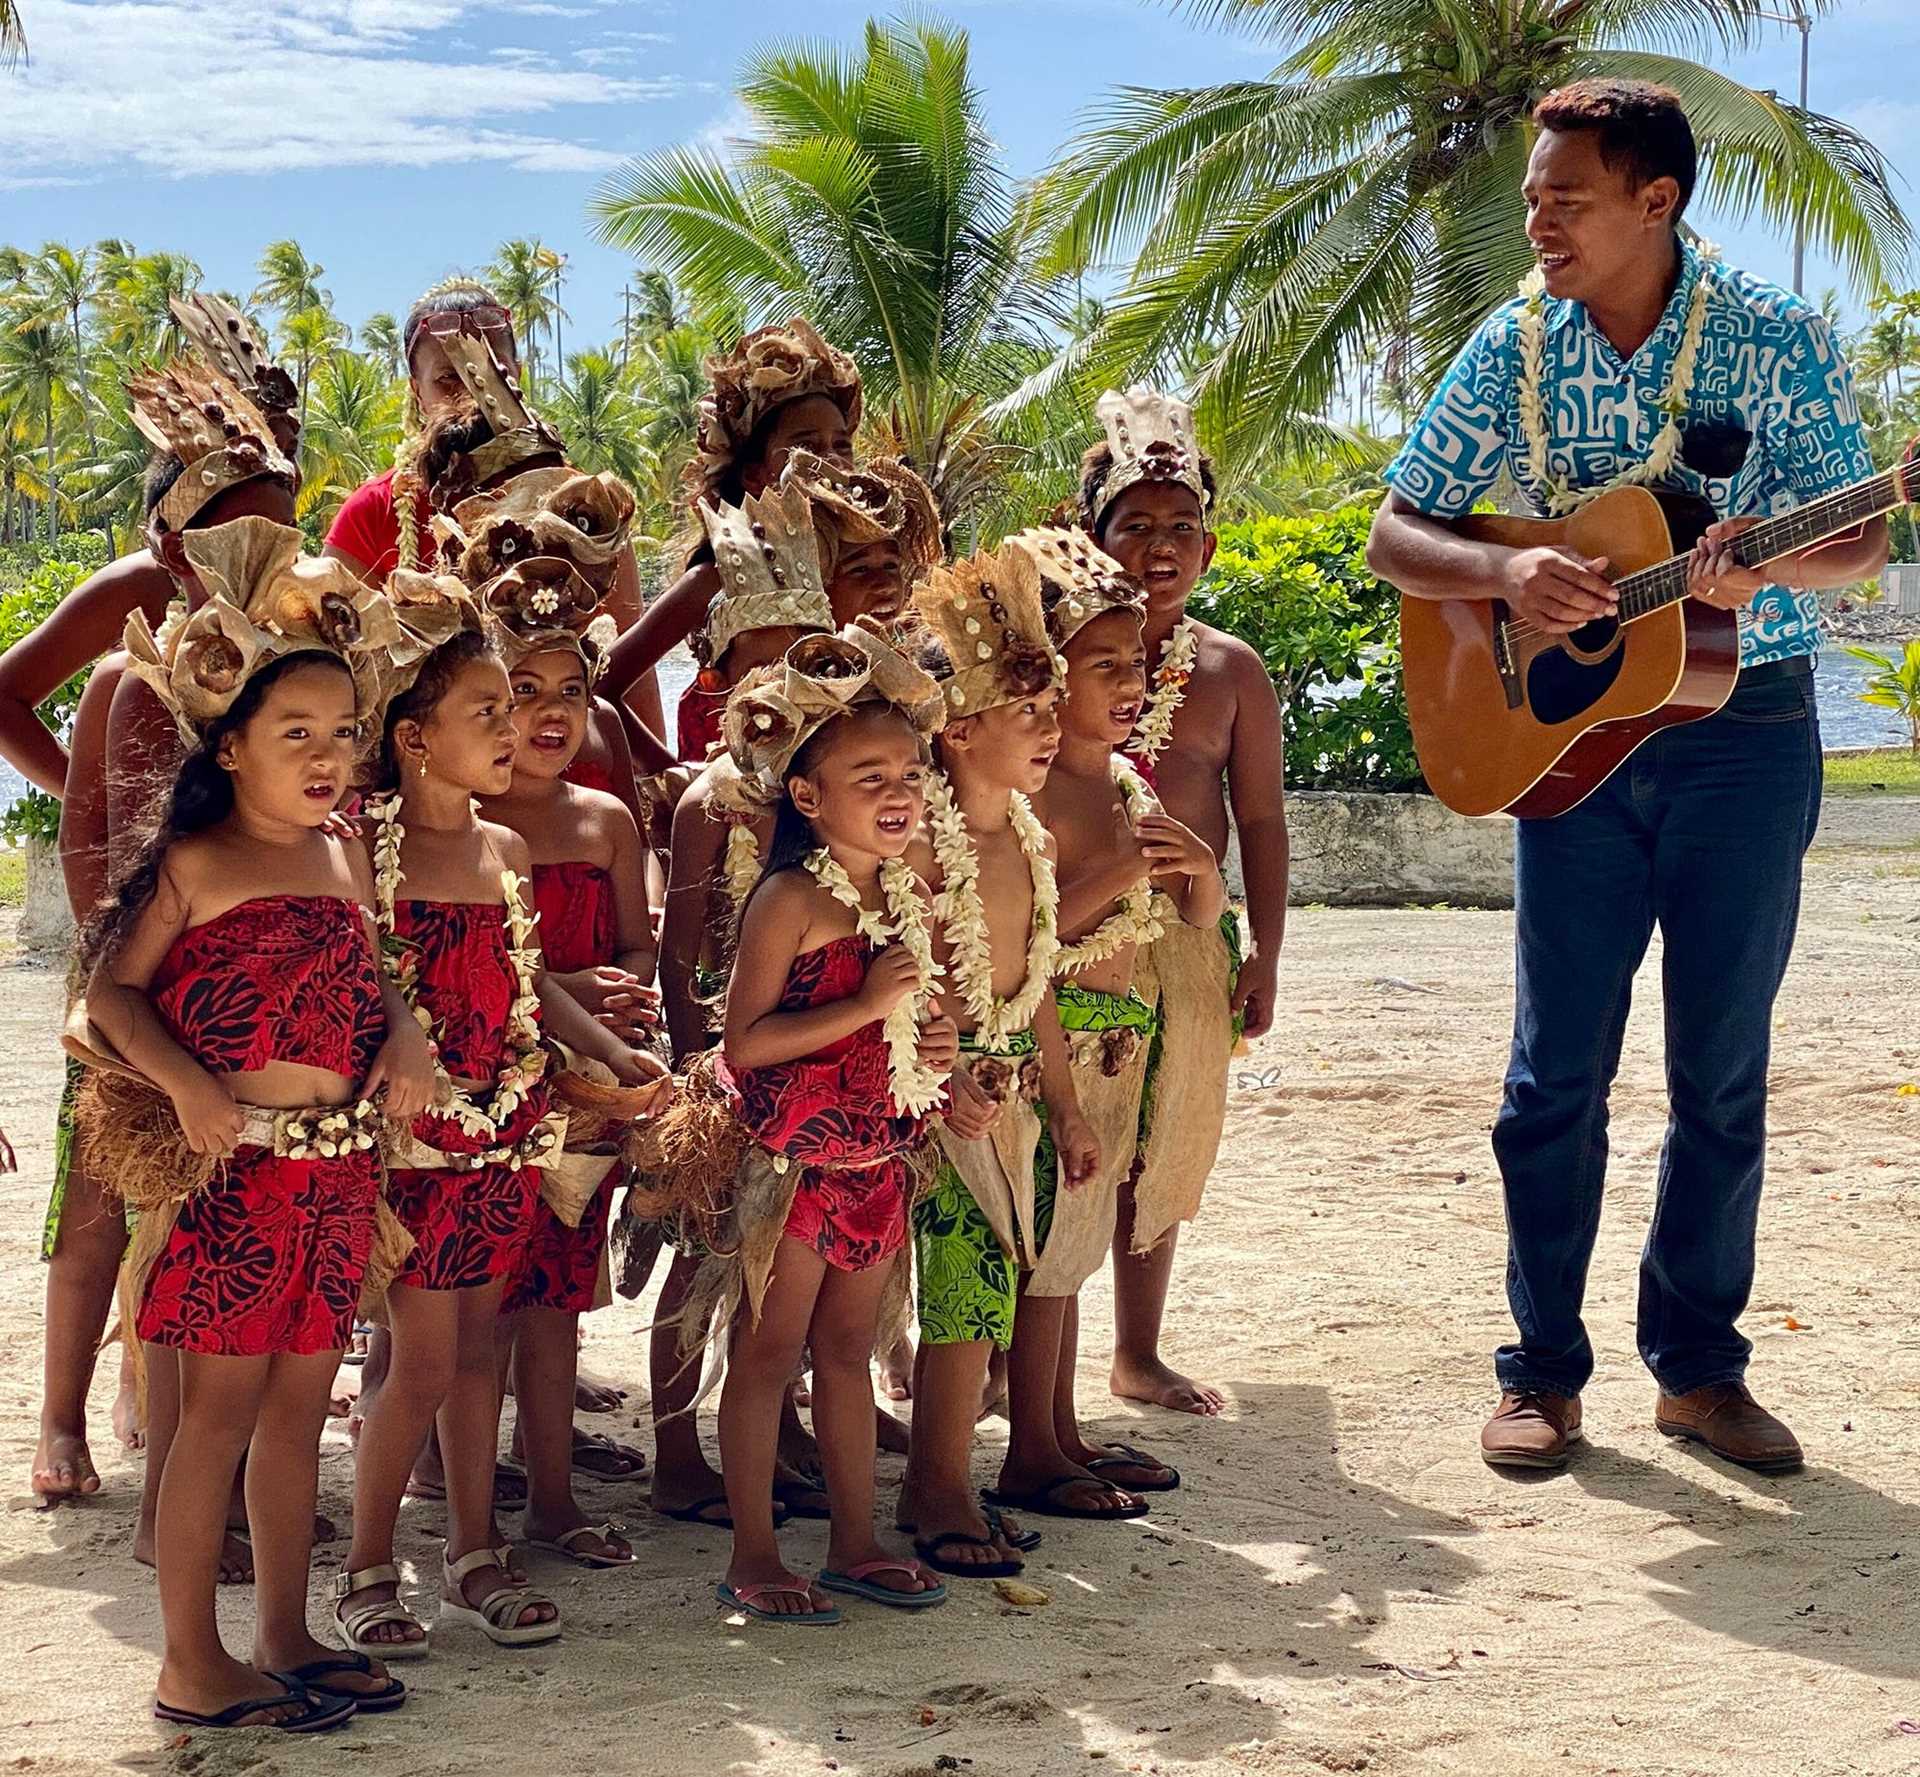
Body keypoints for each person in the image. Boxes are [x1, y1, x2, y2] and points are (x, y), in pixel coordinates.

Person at [1365, 79, 1886, 1474]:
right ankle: (1541, 1373)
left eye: (1565, 197)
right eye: (1536, 195)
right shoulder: (1509, 345)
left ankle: (1700, 1374)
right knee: (1553, 1076)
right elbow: (1395, 535)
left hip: (1743, 732)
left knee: (1721, 1073)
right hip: (1571, 752)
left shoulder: (1772, 340)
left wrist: (1769, 555)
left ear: (1655, 201)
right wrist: (1503, 572)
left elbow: (1859, 542)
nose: (1535, 218)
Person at [74, 518, 436, 1730]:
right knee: (214, 1420)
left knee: (297, 1413)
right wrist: (184, 1082)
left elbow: (374, 970)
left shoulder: (341, 853)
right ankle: (189, 1660)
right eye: (296, 734)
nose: (328, 754)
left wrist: (407, 1034)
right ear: (228, 748)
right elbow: (114, 994)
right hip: (233, 1184)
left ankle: (283, 1629)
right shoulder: (195, 861)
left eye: (342, 732)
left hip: (335, 1187)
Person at [333, 598, 667, 1659]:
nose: (512, 729)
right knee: (418, 1358)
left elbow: (529, 986)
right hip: (413, 1145)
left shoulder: (504, 850)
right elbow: (357, 980)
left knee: (480, 1347)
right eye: (489, 708)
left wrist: (610, 1056)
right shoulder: (362, 850)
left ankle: (474, 1551)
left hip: (503, 1135)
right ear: (414, 737)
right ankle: (366, 1565)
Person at [17, 359, 299, 1511]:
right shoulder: (136, 651)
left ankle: (177, 1409)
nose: (265, 551)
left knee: (216, 1196)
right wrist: (111, 945)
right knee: (99, 1195)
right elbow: (104, 830)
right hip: (133, 965)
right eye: (240, 528)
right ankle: (59, 1416)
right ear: (180, 533)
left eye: (283, 526)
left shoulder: (285, 648)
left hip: (232, 969)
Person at [643, 620, 955, 1622]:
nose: (901, 791)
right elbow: (745, 1043)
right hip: (792, 1166)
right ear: (809, 797)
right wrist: (863, 1006)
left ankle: (857, 1539)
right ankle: (753, 1551)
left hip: (875, 1156)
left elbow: (912, 1017)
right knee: (771, 1352)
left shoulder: (905, 892)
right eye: (871, 777)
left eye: (910, 770)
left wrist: (932, 1044)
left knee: (851, 1350)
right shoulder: (789, 898)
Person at [894, 542, 1113, 1577]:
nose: (1051, 730)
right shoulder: (924, 847)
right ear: (961, 728)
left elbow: (1042, 988)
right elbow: (904, 974)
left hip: (1015, 1087)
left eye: (1053, 709)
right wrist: (942, 1087)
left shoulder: (1028, 835)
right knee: (963, 1287)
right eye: (1028, 714)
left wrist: (1067, 1109)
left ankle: (983, 1468)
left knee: (1017, 1277)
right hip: (937, 1097)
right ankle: (934, 1485)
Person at [1079, 385, 1289, 1417]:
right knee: (1067, 1134)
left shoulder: (1231, 670)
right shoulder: (1063, 659)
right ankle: (999, 1357)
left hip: (1192, 941)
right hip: (1075, 934)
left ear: (1208, 548)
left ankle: (1137, 1351)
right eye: (1134, 527)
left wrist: (1269, 956)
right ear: (1093, 538)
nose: (1158, 548)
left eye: (1180, 530)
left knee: (1164, 1138)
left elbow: (1263, 823)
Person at [1022, 527, 1227, 1497]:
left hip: (1122, 1052)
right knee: (1045, 1262)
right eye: (1102, 663)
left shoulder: (1124, 779)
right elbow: (1033, 934)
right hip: (1050, 1056)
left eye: (1136, 660)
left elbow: (1191, 911)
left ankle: (1064, 1433)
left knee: (1073, 1255)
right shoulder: (1035, 797)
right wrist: (1130, 866)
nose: (1130, 677)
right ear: (1045, 681)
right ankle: (1033, 1447)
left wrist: (1203, 873)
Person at [647, 483, 837, 1526]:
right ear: (717, 681)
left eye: (801, 656)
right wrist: (699, 1084)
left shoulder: (839, 788)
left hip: (815, 1068)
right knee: (702, 1249)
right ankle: (678, 1448)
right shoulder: (704, 801)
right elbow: (683, 953)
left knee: (786, 1259)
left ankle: (784, 1429)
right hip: (727, 1071)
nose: (780, 681)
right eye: (756, 661)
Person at [473, 536, 660, 1568]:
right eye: (519, 690)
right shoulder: (455, 822)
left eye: (571, 690)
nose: (548, 713)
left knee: (554, 1297)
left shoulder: (605, 821)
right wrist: (567, 991)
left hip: (582, 1094)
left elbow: (636, 941)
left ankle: (550, 1496)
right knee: (474, 1305)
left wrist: (620, 992)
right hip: (487, 1082)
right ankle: (462, 1507)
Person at [320, 276, 664, 753]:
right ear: (416, 392)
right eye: (447, 379)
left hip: (568, 765)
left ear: (517, 373)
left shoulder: (586, 506)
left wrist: (653, 780)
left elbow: (629, 665)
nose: (471, 394)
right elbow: (331, 670)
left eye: (490, 372)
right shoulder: (372, 510)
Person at [598, 318, 861, 761]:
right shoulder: (719, 576)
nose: (831, 460)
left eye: (841, 445)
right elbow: (603, 685)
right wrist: (676, 780)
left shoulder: (873, 570)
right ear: (755, 473)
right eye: (807, 446)